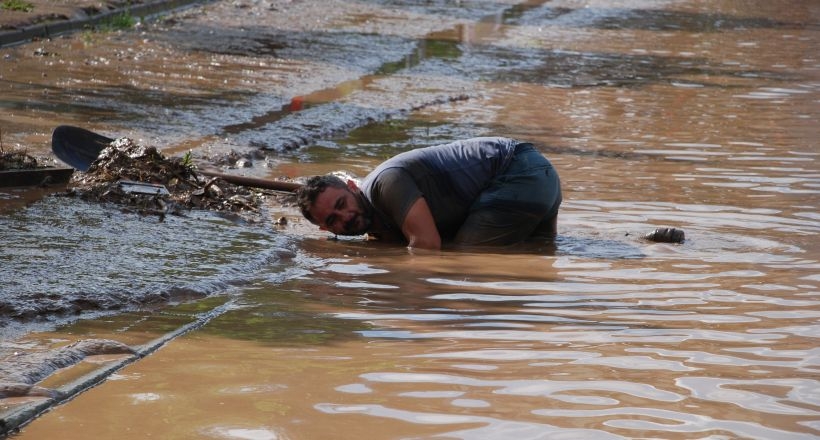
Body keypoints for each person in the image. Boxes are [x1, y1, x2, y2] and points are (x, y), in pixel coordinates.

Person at [296, 137, 562, 250]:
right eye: (333, 220)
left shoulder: (386, 183)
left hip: (518, 172)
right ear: (324, 229)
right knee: (537, 254)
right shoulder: (377, 215)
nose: (346, 216)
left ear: (353, 187)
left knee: (469, 261)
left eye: (342, 203)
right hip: (541, 177)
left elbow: (426, 248)